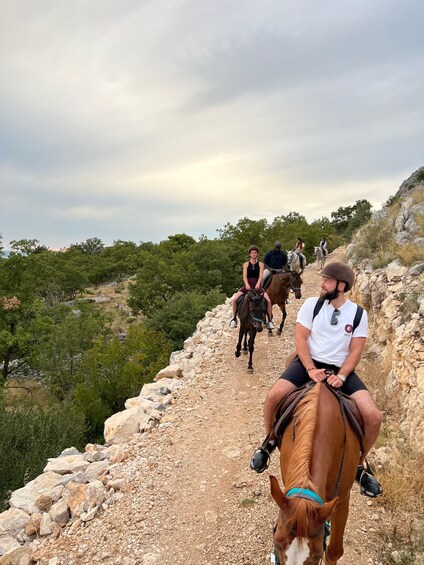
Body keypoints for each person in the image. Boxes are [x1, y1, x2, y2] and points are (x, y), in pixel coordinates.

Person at [249, 261, 383, 498]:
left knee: (373, 417)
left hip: (341, 369)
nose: (322, 284)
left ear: (341, 286)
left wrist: (342, 376)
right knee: (273, 396)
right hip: (308, 363)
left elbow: (355, 351)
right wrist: (310, 369)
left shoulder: (359, 314)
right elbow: (301, 339)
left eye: (327, 280)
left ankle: (359, 466)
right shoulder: (311, 305)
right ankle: (269, 442)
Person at [230, 246, 274, 330]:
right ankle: (234, 318)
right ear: (250, 254)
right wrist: (246, 284)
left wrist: (258, 283)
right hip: (247, 285)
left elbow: (261, 275)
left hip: (257, 286)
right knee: (235, 299)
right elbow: (244, 275)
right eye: (252, 253)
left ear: (257, 254)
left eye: (255, 253)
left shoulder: (261, 264)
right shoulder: (246, 264)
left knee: (268, 300)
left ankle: (270, 321)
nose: (253, 254)